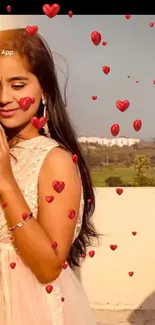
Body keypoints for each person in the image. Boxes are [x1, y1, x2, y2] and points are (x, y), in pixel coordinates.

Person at [0, 28, 99, 325]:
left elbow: (47, 266)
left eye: (18, 85)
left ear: (43, 89)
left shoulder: (54, 161)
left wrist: (5, 181)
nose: (4, 98)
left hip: (25, 308)